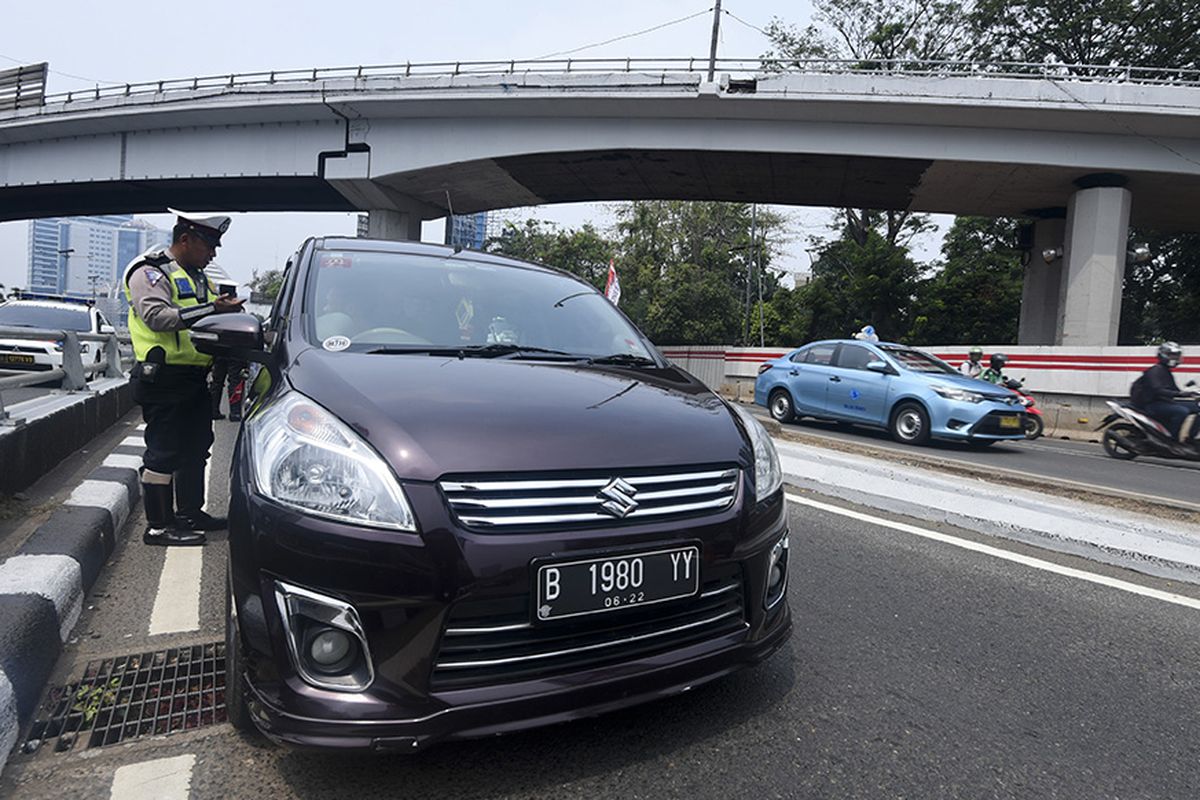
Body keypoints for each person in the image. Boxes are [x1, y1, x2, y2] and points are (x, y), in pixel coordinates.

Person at [123, 208, 244, 546]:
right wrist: (213, 310)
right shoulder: (150, 272)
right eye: (209, 245)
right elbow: (157, 317)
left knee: (196, 448)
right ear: (186, 239)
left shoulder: (197, 278)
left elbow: (206, 325)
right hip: (163, 378)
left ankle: (190, 513)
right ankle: (159, 527)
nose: (213, 253)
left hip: (194, 379)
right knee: (163, 452)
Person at [1131, 342, 1197, 442]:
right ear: (1163, 355)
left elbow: (1175, 390)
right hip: (1152, 404)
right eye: (1172, 355)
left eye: (1177, 355)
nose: (1175, 358)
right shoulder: (1154, 371)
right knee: (1182, 412)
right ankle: (1171, 439)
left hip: (1165, 402)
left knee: (1197, 406)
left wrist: (1192, 393)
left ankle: (1191, 440)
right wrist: (1180, 394)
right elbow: (1158, 390)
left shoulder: (1166, 371)